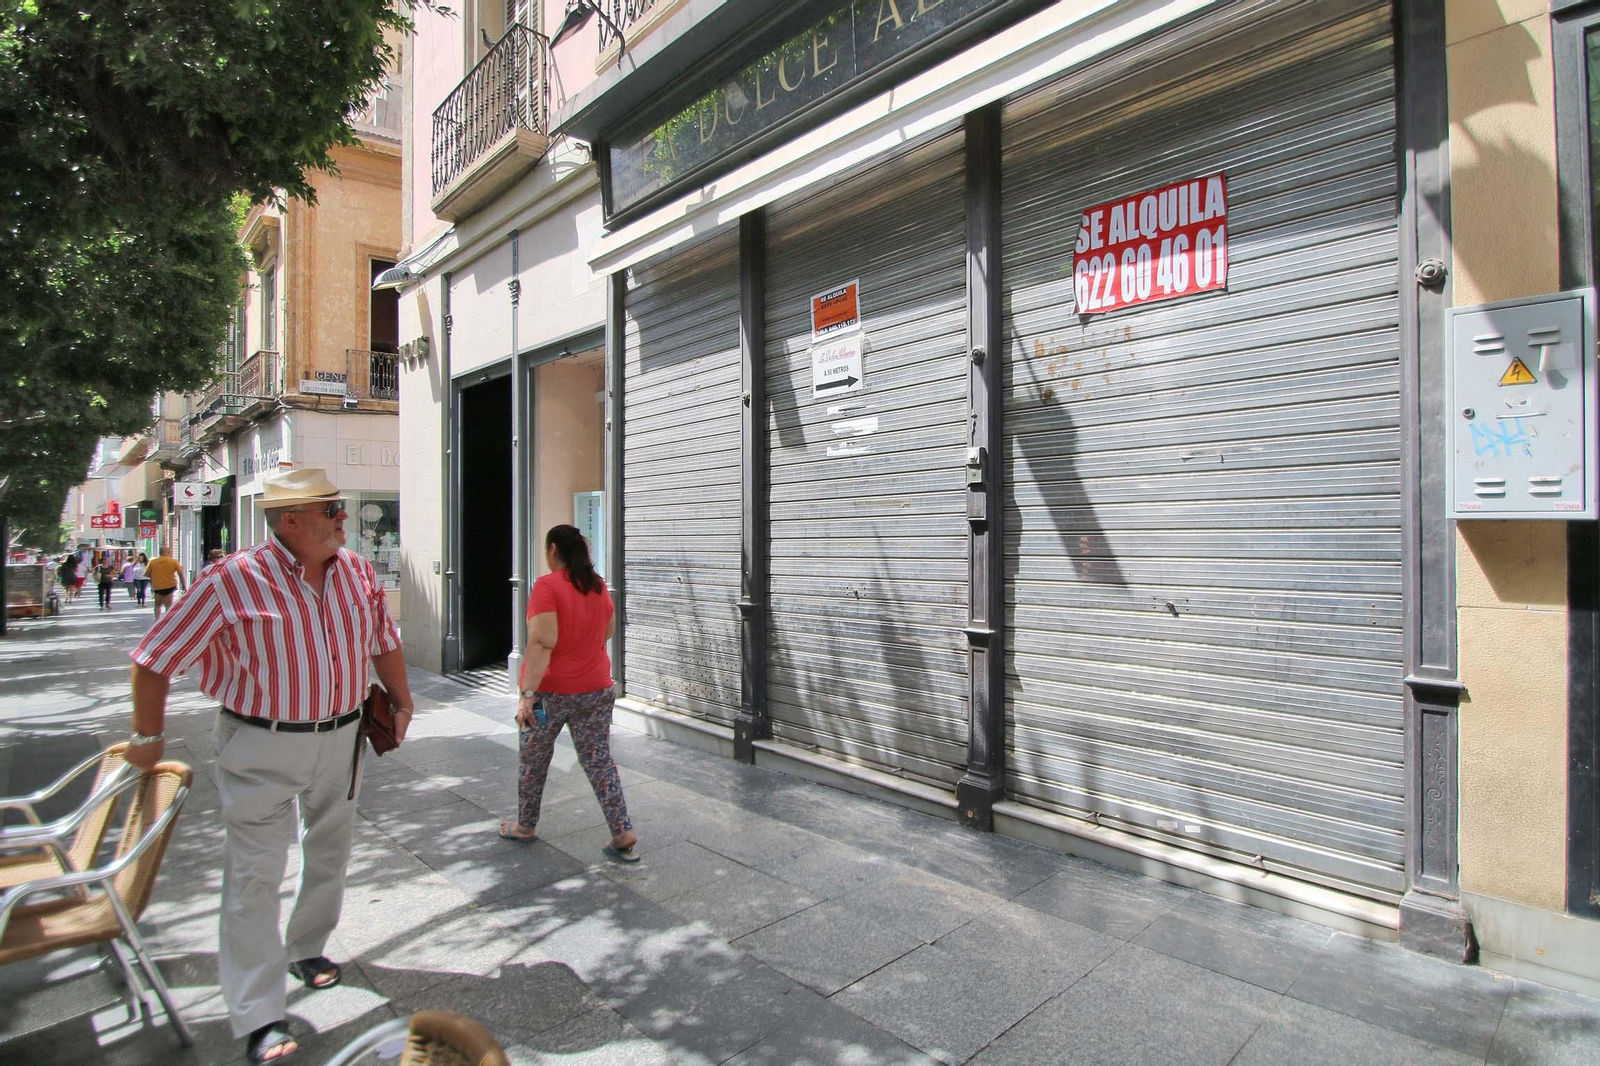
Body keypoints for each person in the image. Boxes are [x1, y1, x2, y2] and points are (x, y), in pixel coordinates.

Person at [127, 468, 415, 1065]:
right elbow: (153, 658)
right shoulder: (230, 581)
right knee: (255, 877)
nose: (342, 518)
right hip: (259, 743)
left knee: (330, 852)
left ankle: (307, 947)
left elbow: (382, 637)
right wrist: (148, 736)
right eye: (331, 509)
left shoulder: (357, 572)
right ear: (291, 520)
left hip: (341, 739)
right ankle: (259, 1014)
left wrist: (402, 696)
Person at [499, 524, 638, 864]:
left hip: (552, 693)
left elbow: (541, 643)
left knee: (533, 760)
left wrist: (526, 694)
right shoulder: (598, 585)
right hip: (597, 688)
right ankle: (621, 830)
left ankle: (525, 825)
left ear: (552, 551)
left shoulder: (547, 586)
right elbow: (606, 631)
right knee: (598, 759)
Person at [144, 546, 185, 621]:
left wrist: (154, 576)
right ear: (169, 552)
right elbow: (181, 574)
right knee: (168, 605)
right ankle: (167, 620)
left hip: (158, 586)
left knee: (157, 605)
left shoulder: (153, 562)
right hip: (170, 586)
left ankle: (157, 619)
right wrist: (184, 586)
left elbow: (147, 574)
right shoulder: (173, 561)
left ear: (160, 553)